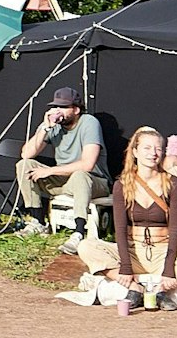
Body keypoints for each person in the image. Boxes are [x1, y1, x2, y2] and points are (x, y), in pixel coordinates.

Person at [78, 127, 177, 310]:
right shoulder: (122, 184)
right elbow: (119, 229)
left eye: (158, 149)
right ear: (135, 151)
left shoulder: (173, 183)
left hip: (163, 252)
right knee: (86, 246)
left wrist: (169, 272)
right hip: (132, 251)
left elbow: (175, 229)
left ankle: (161, 290)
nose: (153, 153)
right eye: (147, 148)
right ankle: (134, 288)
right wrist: (126, 268)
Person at [15, 86, 109, 254]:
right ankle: (37, 221)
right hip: (64, 180)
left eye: (63, 107)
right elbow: (26, 154)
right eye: (56, 106)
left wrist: (50, 171)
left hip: (94, 182)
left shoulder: (88, 123)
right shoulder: (53, 126)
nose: (58, 110)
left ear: (76, 110)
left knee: (80, 175)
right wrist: (45, 128)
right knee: (24, 165)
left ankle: (79, 232)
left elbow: (87, 164)